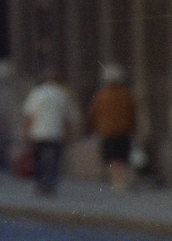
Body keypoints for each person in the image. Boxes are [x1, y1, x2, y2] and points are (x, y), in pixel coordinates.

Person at [21, 68, 80, 196]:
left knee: (39, 159)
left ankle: (40, 184)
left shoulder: (36, 93)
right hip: (56, 132)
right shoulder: (62, 93)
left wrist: (25, 132)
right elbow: (67, 117)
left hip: (38, 132)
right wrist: (68, 134)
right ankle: (50, 183)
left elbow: (29, 115)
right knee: (54, 160)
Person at [88, 64, 136, 191]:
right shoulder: (125, 94)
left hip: (107, 131)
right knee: (123, 158)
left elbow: (93, 113)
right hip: (123, 131)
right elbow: (132, 113)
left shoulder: (101, 96)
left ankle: (116, 182)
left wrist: (96, 127)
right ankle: (123, 182)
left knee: (112, 159)